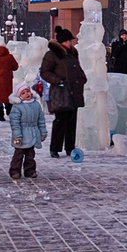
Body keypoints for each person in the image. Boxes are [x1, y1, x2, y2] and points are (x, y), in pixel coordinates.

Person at [40, 26, 87, 158]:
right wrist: (58, 80)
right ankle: (55, 148)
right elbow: (45, 72)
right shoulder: (52, 55)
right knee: (60, 121)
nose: (71, 42)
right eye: (68, 40)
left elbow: (77, 68)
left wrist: (82, 77)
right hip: (61, 92)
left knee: (72, 121)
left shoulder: (72, 53)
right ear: (63, 42)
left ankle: (70, 147)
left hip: (74, 91)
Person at [8, 83, 47, 179]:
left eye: (27, 91)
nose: (27, 94)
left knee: (30, 155)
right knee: (18, 155)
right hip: (21, 135)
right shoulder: (17, 106)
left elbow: (40, 120)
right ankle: (15, 171)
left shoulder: (36, 105)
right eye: (23, 93)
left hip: (33, 134)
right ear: (19, 96)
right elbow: (15, 122)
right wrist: (17, 135)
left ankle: (30, 171)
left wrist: (43, 132)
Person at [0, 44, 19, 121]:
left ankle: (0, 115)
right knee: (7, 97)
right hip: (7, 81)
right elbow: (15, 67)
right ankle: (9, 112)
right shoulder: (10, 57)